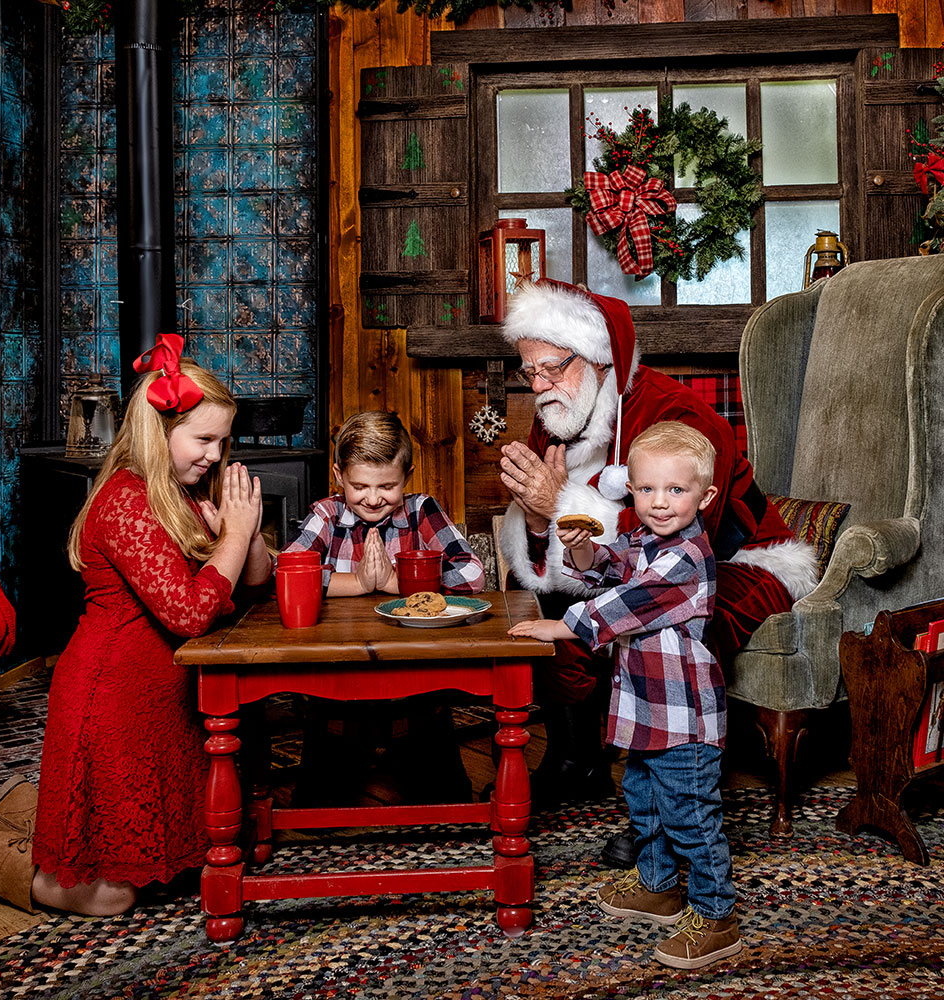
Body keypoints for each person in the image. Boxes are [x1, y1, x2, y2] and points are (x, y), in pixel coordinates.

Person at [0, 335, 271, 917]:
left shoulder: (187, 490)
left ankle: (29, 816)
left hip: (165, 703)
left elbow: (253, 580)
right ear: (158, 429)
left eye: (223, 442)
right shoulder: (125, 499)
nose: (215, 456)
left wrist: (243, 533)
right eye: (203, 440)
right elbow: (191, 613)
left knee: (173, 865)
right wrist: (236, 535)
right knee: (108, 896)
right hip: (109, 702)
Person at [497, 279, 818, 862]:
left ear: (598, 357)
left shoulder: (675, 412)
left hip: (731, 559)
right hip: (640, 563)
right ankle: (576, 760)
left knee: (671, 635)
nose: (539, 388)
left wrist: (561, 507)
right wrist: (544, 521)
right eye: (529, 372)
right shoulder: (557, 417)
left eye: (551, 369)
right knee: (545, 601)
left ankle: (678, 807)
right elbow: (558, 553)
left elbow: (688, 541)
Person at [509, 421, 742, 970]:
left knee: (689, 814)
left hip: (684, 718)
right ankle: (659, 886)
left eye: (676, 490)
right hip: (644, 711)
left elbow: (626, 603)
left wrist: (560, 627)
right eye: (646, 490)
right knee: (644, 800)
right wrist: (586, 551)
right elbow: (615, 566)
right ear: (630, 489)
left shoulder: (687, 557)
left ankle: (716, 914)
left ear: (705, 496)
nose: (659, 503)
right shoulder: (647, 539)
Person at [283, 410, 485, 805]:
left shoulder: (420, 511)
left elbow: (473, 574)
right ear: (339, 475)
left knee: (447, 799)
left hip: (417, 689)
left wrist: (395, 582)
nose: (373, 498)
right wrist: (358, 583)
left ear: (407, 476)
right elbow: (290, 571)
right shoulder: (327, 514)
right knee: (317, 802)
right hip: (338, 686)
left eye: (387, 486)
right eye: (359, 485)